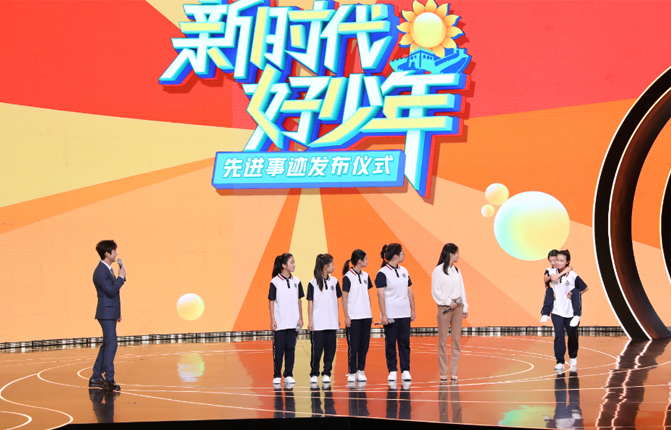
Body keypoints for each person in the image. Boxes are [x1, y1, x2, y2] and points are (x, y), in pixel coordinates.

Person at [375, 243, 416, 382]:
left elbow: (409, 291)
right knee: (391, 343)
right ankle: (392, 370)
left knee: (405, 343)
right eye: (402, 253)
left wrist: (413, 309)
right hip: (391, 314)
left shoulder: (404, 270)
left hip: (404, 313)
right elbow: (380, 295)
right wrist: (383, 314)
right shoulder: (382, 273)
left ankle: (406, 370)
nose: (404, 256)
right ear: (395, 256)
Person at [90, 240, 126, 392]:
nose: (116, 253)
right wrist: (121, 278)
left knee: (107, 344)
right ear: (107, 253)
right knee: (112, 344)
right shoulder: (100, 271)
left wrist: (117, 312)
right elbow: (111, 291)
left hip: (110, 312)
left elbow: (113, 293)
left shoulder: (108, 270)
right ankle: (109, 379)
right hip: (105, 313)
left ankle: (96, 376)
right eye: (114, 251)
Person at [431, 243, 468, 381]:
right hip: (444, 308)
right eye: (457, 253)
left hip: (458, 307)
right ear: (451, 254)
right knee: (442, 341)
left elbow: (462, 290)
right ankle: (443, 372)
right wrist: (448, 301)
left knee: (456, 340)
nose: (458, 256)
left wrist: (465, 307)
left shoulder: (457, 271)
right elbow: (436, 291)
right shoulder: (438, 270)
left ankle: (454, 371)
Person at [268, 253, 304, 385]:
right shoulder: (275, 282)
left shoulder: (297, 281)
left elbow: (299, 300)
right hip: (280, 322)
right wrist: (273, 319)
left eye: (294, 262)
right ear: (284, 265)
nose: (294, 265)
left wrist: (301, 317)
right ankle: (277, 375)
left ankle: (288, 374)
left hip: (293, 322)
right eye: (291, 262)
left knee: (290, 348)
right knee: (278, 350)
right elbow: (271, 301)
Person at [550, 250, 588, 372]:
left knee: (572, 335)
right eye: (557, 260)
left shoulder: (572, 275)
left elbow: (585, 288)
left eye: (562, 261)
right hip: (557, 311)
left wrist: (574, 295)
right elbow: (547, 279)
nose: (559, 263)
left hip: (570, 312)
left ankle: (573, 356)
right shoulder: (551, 272)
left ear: (567, 262)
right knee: (559, 336)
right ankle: (560, 361)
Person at [308, 253, 341, 384]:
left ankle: (327, 372)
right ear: (326, 266)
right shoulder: (313, 283)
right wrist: (310, 320)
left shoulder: (335, 281)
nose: (334, 267)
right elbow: (310, 302)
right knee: (317, 351)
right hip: (318, 323)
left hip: (331, 322)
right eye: (332, 264)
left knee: (330, 350)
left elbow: (335, 300)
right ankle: (314, 373)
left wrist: (337, 317)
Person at [342, 249, 373, 383]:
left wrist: (370, 312)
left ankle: (361, 371)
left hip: (366, 316)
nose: (367, 261)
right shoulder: (347, 277)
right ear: (359, 261)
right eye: (366, 259)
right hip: (354, 317)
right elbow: (344, 298)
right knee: (353, 346)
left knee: (364, 346)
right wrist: (346, 316)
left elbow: (367, 294)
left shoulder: (366, 276)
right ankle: (351, 372)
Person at [540, 250, 573, 323]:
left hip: (564, 291)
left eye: (554, 260)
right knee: (549, 291)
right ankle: (545, 314)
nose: (553, 263)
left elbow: (570, 267)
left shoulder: (563, 269)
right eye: (550, 261)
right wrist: (551, 276)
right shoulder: (549, 270)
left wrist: (558, 275)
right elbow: (545, 280)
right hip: (554, 291)